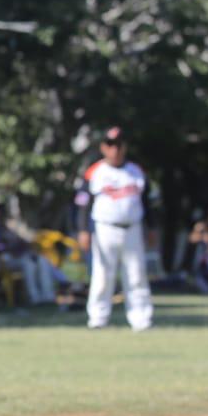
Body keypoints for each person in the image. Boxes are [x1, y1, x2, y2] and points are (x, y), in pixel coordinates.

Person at [75, 126, 155, 330]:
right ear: (103, 147)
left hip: (133, 228)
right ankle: (98, 318)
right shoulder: (95, 171)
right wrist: (83, 229)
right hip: (105, 228)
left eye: (119, 145)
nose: (115, 150)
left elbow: (147, 203)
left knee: (136, 274)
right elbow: (83, 203)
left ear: (124, 147)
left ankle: (141, 318)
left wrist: (151, 228)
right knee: (102, 275)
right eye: (111, 145)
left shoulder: (136, 171)